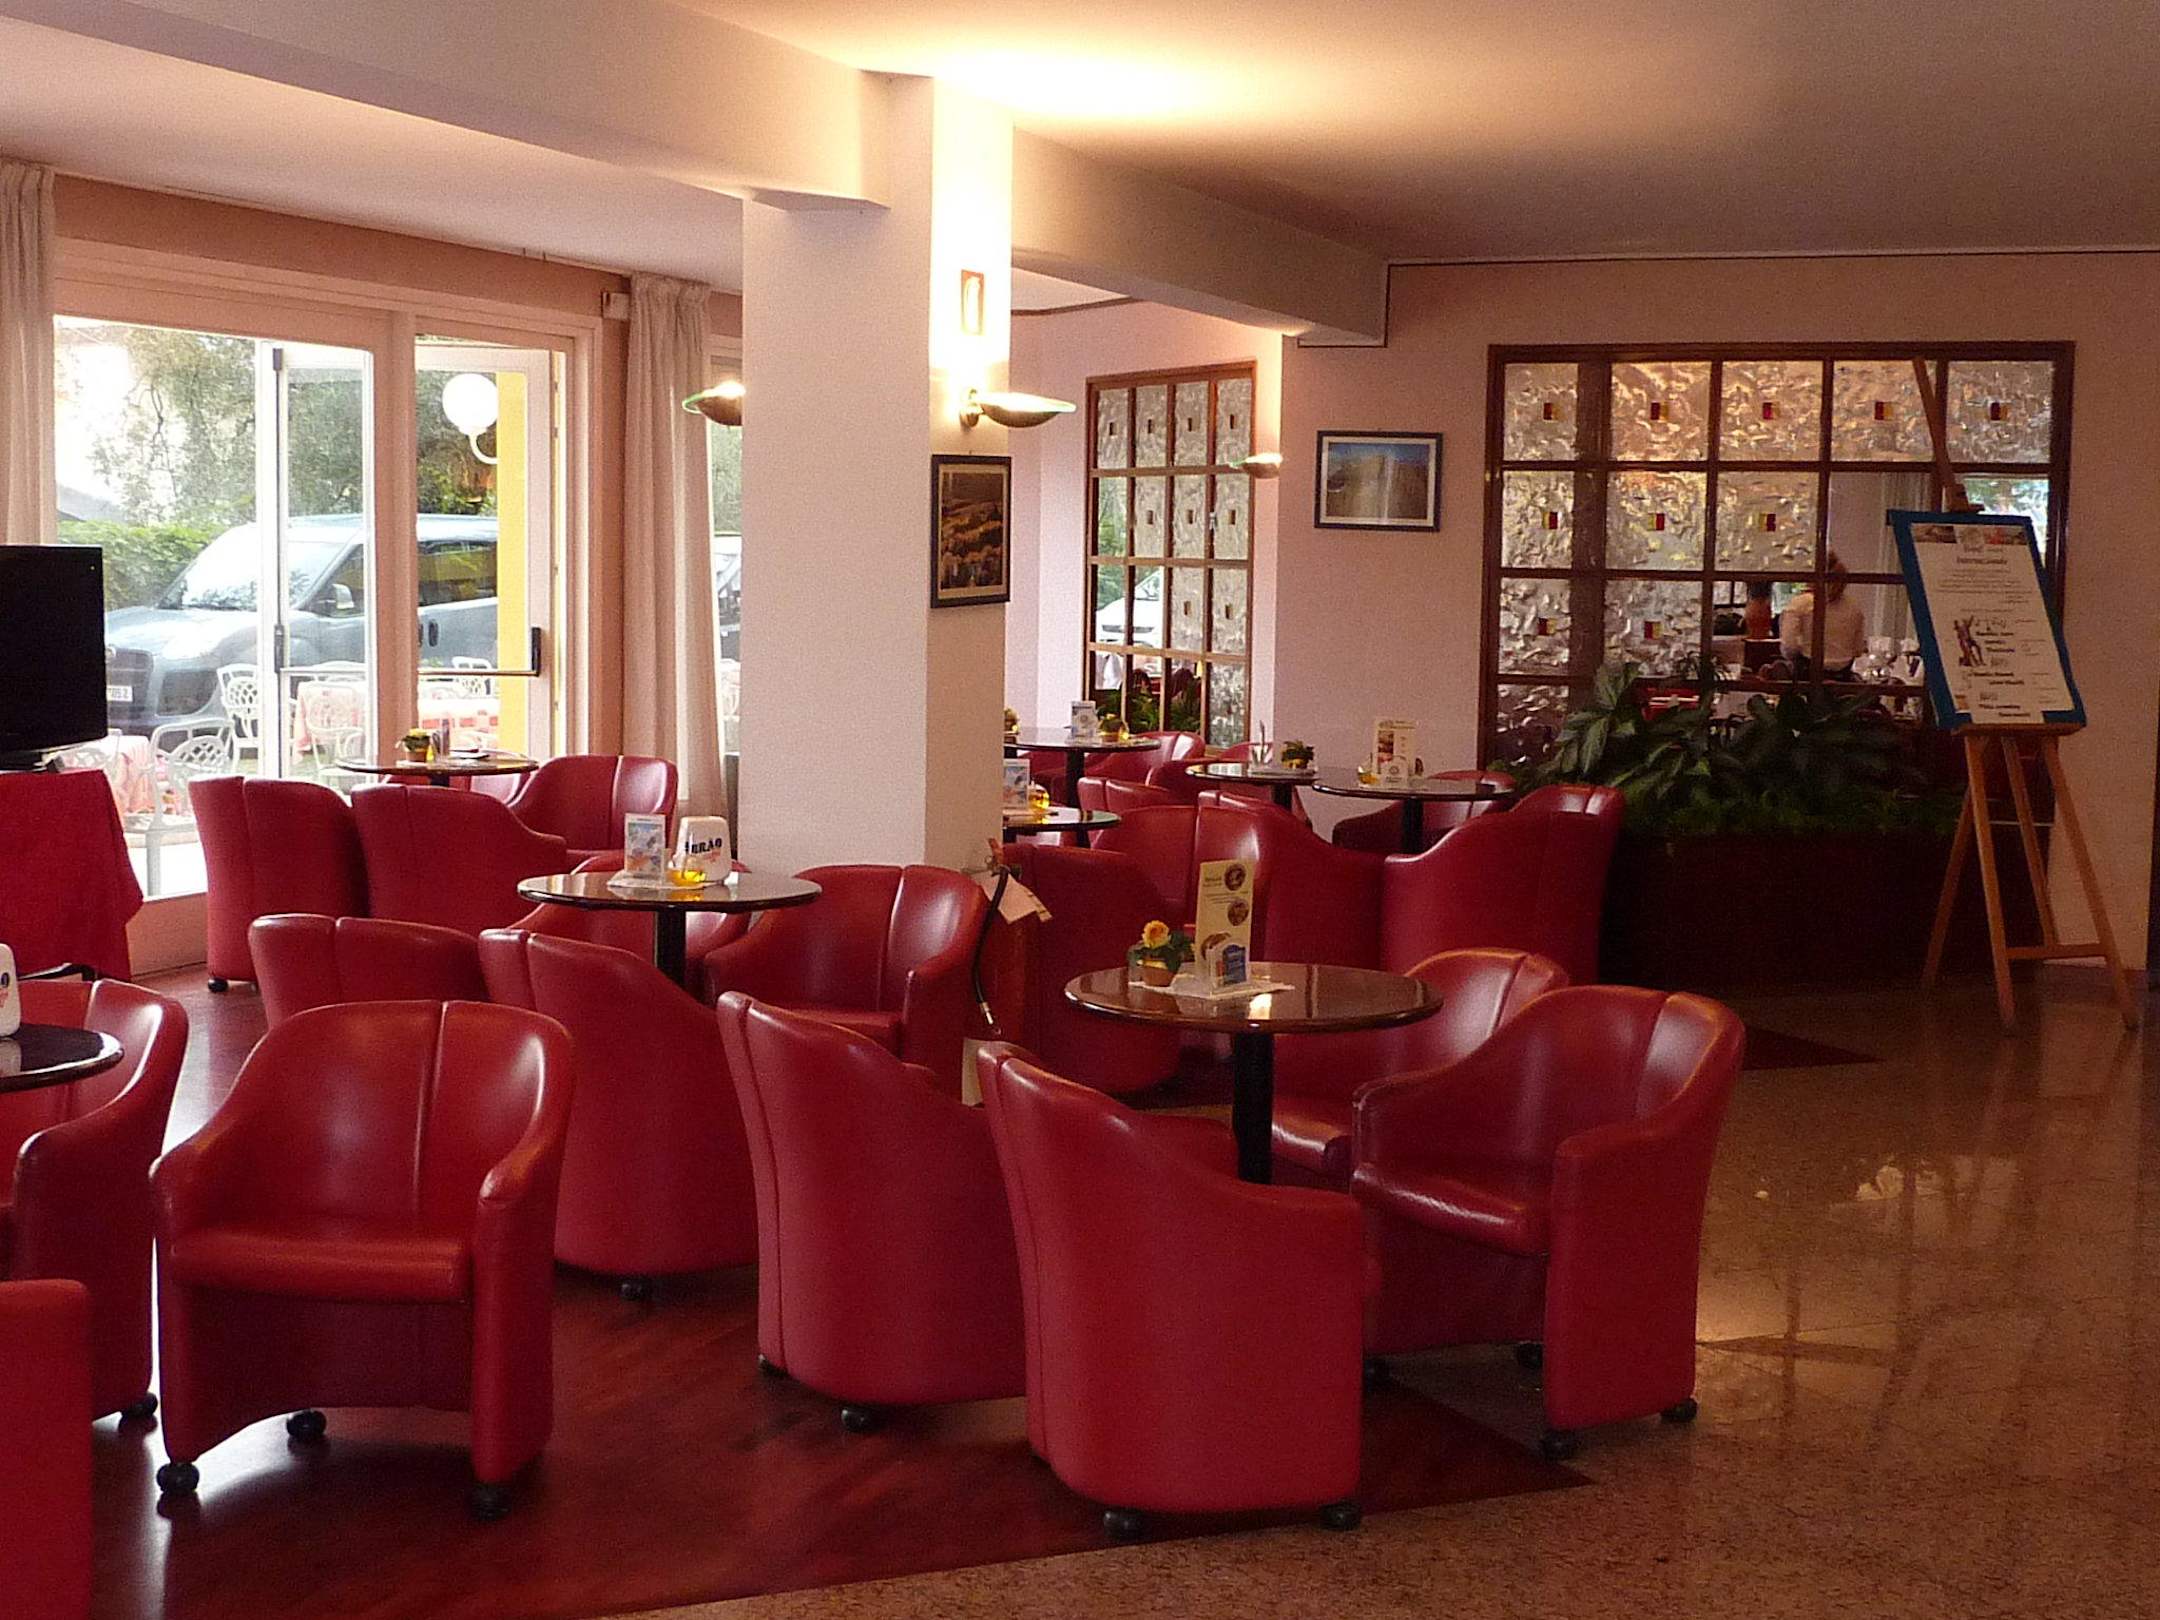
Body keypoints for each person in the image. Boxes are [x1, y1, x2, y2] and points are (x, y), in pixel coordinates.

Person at [1779, 552, 1867, 679]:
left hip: (1807, 676)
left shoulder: (1801, 604)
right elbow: (1857, 649)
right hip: (1842, 678)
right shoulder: (1854, 607)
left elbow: (1789, 646)